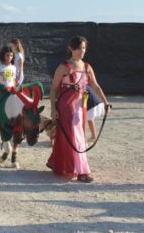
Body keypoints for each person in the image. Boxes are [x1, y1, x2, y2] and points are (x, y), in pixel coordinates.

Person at [47, 36, 110, 183]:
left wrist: (105, 103)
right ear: (70, 48)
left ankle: (56, 162)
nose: (81, 51)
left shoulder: (87, 67)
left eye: (83, 48)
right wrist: (53, 109)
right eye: (78, 48)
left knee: (74, 135)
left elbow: (95, 86)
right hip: (66, 106)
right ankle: (82, 171)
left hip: (81, 106)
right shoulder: (63, 67)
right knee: (76, 136)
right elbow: (53, 90)